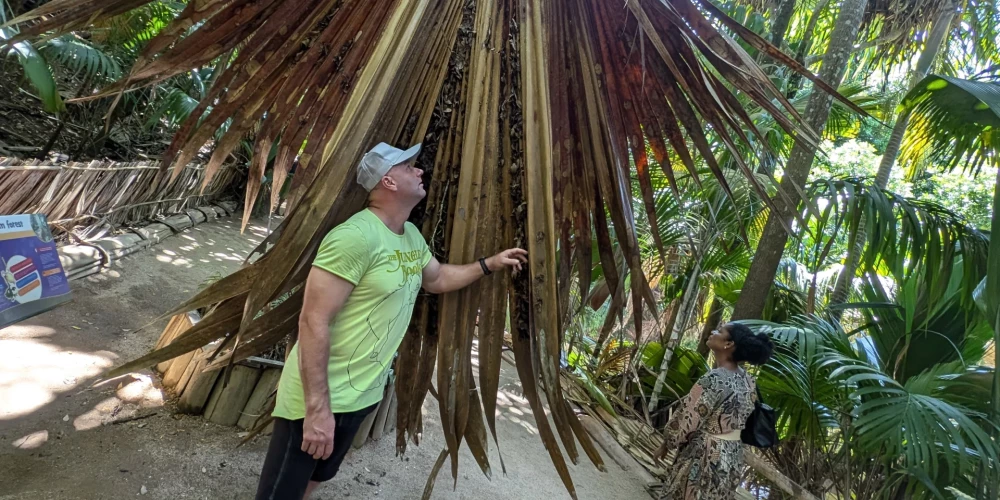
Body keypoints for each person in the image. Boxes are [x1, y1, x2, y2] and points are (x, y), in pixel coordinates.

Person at [254, 142, 527, 500]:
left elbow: (437, 278)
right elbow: (313, 321)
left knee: (318, 477)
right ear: (389, 181)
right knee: (280, 493)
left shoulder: (411, 236)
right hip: (318, 397)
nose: (419, 171)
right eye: (409, 167)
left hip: (361, 395)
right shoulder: (354, 237)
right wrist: (317, 409)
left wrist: (488, 264)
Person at [653, 322, 774, 500]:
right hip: (732, 456)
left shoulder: (714, 379)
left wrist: (667, 443)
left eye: (720, 331)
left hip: (705, 455)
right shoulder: (749, 381)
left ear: (728, 344)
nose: (713, 331)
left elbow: (689, 418)